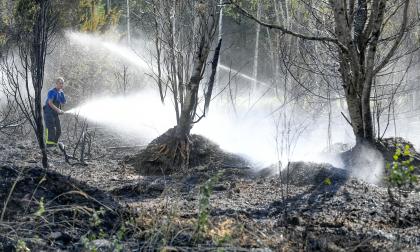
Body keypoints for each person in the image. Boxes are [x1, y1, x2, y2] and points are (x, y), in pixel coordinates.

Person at [44, 77, 66, 147]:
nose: (61, 85)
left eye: (62, 83)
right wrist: (58, 110)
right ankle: (49, 146)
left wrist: (61, 110)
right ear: (56, 84)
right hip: (48, 113)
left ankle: (54, 144)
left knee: (58, 130)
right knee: (51, 129)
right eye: (60, 83)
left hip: (55, 114)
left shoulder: (61, 92)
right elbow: (50, 103)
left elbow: (63, 102)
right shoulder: (52, 92)